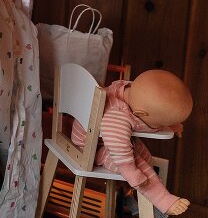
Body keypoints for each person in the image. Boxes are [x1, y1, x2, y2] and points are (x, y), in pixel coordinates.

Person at [71, 69, 192, 216]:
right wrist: (131, 173)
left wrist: (170, 123)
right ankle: (163, 200)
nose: (160, 126)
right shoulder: (117, 115)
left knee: (146, 157)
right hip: (91, 149)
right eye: (160, 123)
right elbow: (119, 150)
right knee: (139, 166)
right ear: (140, 113)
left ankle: (133, 196)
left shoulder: (129, 91)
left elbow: (155, 107)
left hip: (104, 140)